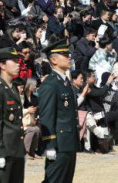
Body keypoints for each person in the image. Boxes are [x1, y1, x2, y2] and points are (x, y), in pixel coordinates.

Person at [39, 39, 80, 183]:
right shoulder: (50, 84)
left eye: (69, 54)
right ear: (54, 60)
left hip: (69, 142)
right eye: (65, 54)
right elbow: (47, 117)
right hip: (59, 145)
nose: (69, 57)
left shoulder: (65, 82)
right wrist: (50, 145)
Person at [0, 47, 25, 183]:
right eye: (13, 61)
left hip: (16, 148)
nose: (18, 63)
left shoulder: (12, 87)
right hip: (4, 150)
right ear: (2, 65)